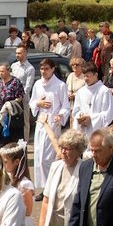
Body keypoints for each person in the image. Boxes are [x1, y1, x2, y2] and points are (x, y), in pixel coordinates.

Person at [29, 58, 70, 198]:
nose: (43, 72)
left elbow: (65, 106)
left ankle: (52, 187)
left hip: (52, 125)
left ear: (52, 69)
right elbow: (32, 102)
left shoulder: (60, 85)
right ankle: (44, 187)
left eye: (46, 69)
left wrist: (60, 115)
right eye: (41, 69)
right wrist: (38, 103)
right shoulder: (37, 84)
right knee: (39, 157)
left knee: (49, 158)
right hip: (41, 125)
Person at [71, 63, 113, 142]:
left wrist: (91, 119)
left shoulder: (104, 91)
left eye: (88, 76)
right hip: (83, 131)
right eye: (84, 76)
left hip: (98, 133)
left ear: (96, 75)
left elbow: (109, 114)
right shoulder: (81, 92)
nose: (85, 79)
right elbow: (76, 111)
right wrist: (80, 116)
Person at [0, 63, 26, 146]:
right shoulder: (0, 83)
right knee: (0, 142)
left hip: (11, 118)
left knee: (12, 143)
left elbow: (20, 97)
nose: (0, 73)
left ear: (8, 71)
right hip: (0, 116)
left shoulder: (15, 82)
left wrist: (9, 104)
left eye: (2, 71)